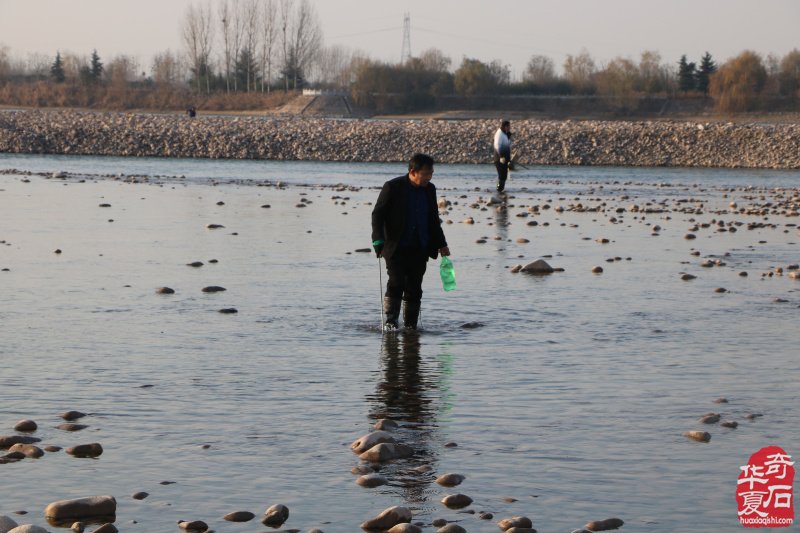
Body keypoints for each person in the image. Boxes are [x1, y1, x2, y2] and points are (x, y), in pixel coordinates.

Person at [372, 153, 450, 331]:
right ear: (413, 172)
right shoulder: (392, 187)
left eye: (431, 173)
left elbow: (433, 219)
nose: (429, 177)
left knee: (415, 288)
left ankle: (410, 326)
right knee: (396, 282)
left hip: (420, 247)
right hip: (395, 247)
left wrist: (442, 244)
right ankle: (391, 323)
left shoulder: (430, 189)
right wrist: (377, 239)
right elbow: (377, 215)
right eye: (425, 174)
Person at [493, 119, 512, 192]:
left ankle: (500, 191)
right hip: (499, 159)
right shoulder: (499, 134)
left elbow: (507, 145)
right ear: (505, 126)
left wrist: (508, 136)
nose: (510, 127)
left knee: (504, 176)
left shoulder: (504, 134)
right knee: (502, 176)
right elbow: (497, 146)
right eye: (509, 126)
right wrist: (501, 156)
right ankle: (498, 190)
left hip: (505, 158)